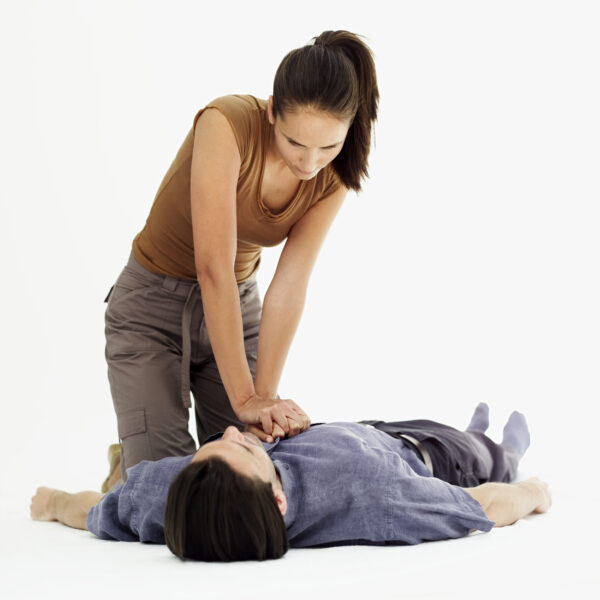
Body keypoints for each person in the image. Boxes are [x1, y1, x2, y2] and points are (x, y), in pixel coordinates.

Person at [101, 30, 379, 489]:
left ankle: (132, 459)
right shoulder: (225, 123)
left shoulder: (335, 175)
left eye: (327, 147)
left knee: (247, 478)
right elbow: (213, 267)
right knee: (165, 489)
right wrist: (245, 397)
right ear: (272, 111)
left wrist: (263, 400)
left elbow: (289, 287)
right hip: (153, 307)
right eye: (295, 143)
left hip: (237, 310)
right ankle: (115, 475)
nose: (310, 162)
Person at [30, 403, 551, 561]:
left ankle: (478, 430)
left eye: (214, 440)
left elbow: (99, 509)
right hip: (425, 459)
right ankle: (501, 445)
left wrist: (53, 502)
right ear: (277, 499)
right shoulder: (374, 495)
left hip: (362, 431)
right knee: (490, 458)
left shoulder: (171, 494)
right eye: (244, 446)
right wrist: (532, 494)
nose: (235, 430)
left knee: (466, 434)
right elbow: (478, 506)